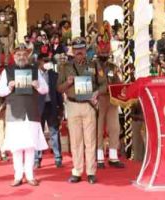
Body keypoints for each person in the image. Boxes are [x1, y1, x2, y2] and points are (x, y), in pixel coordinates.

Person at [0, 44, 49, 187]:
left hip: (31, 112)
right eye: (18, 54)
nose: (21, 57)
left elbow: (45, 89)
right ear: (14, 56)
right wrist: (9, 87)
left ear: (28, 56)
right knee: (17, 147)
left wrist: (37, 85)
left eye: (24, 54)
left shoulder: (34, 70)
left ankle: (30, 175)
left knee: (30, 146)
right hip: (14, 113)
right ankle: (18, 175)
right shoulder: (7, 71)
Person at [57, 37, 99, 184]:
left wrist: (97, 93)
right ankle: (77, 170)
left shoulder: (94, 64)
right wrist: (67, 83)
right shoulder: (64, 67)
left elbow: (104, 84)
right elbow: (58, 88)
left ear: (85, 50)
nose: (79, 52)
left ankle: (91, 172)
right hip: (73, 105)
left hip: (89, 105)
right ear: (72, 51)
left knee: (90, 140)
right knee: (75, 141)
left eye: (81, 49)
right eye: (76, 50)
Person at [95, 54, 125, 169]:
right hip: (98, 99)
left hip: (112, 99)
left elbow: (119, 82)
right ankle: (99, 158)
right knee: (98, 129)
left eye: (106, 51)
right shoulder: (92, 66)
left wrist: (119, 83)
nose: (104, 53)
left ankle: (113, 157)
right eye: (102, 51)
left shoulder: (113, 67)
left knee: (115, 128)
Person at [34, 54, 63, 169]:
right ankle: (37, 159)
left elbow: (58, 92)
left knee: (54, 132)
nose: (47, 62)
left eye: (48, 61)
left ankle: (58, 158)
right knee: (37, 133)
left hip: (51, 105)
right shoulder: (33, 75)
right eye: (45, 60)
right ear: (39, 62)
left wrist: (60, 107)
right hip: (37, 107)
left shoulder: (54, 74)